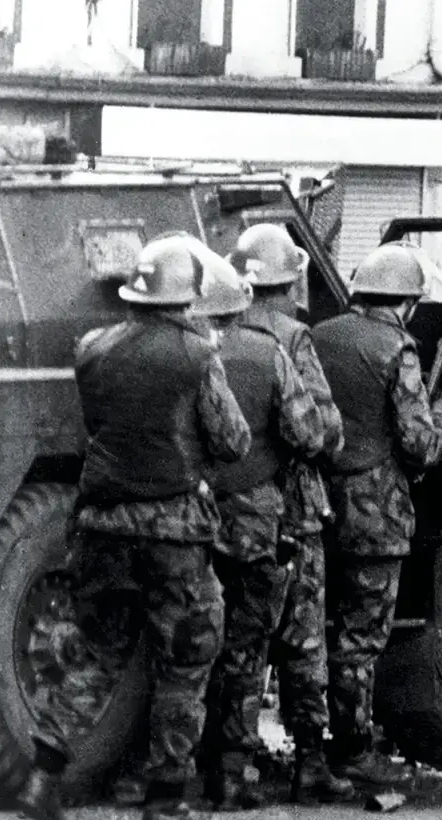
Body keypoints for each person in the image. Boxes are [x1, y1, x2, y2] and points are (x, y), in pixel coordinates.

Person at [15, 234, 251, 820]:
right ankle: (166, 796)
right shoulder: (198, 355)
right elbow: (232, 440)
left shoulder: (92, 349)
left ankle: (42, 784)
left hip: (100, 527)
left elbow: (99, 424)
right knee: (186, 657)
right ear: (188, 296)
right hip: (173, 532)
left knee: (94, 653)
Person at [190, 255, 328, 810]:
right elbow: (309, 433)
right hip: (255, 521)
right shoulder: (268, 351)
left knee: (195, 645)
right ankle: (232, 772)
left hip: (192, 521)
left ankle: (187, 767)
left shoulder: (186, 354)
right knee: (248, 647)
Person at [312, 243, 442, 786]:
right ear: (409, 303)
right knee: (360, 638)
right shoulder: (399, 349)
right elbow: (418, 446)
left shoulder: (318, 336)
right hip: (374, 513)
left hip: (314, 506)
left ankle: (304, 748)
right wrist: (440, 415)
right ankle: (352, 750)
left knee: (305, 631)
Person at [225, 225, 353, 804]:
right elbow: (324, 433)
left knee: (240, 639)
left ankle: (230, 761)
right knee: (303, 639)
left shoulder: (218, 331)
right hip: (293, 513)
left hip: (230, 509)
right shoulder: (293, 337)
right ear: (292, 276)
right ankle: (309, 761)